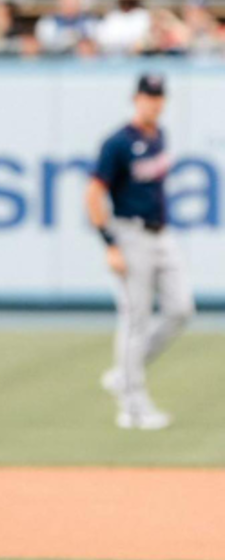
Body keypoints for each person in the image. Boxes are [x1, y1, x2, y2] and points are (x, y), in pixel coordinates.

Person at [85, 73, 194, 431]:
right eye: (149, 96)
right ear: (136, 98)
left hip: (161, 235)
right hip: (129, 234)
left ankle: (123, 374)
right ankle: (132, 407)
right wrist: (109, 243)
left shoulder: (160, 135)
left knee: (180, 309)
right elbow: (93, 194)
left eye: (159, 96)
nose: (154, 102)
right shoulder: (117, 143)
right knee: (136, 320)